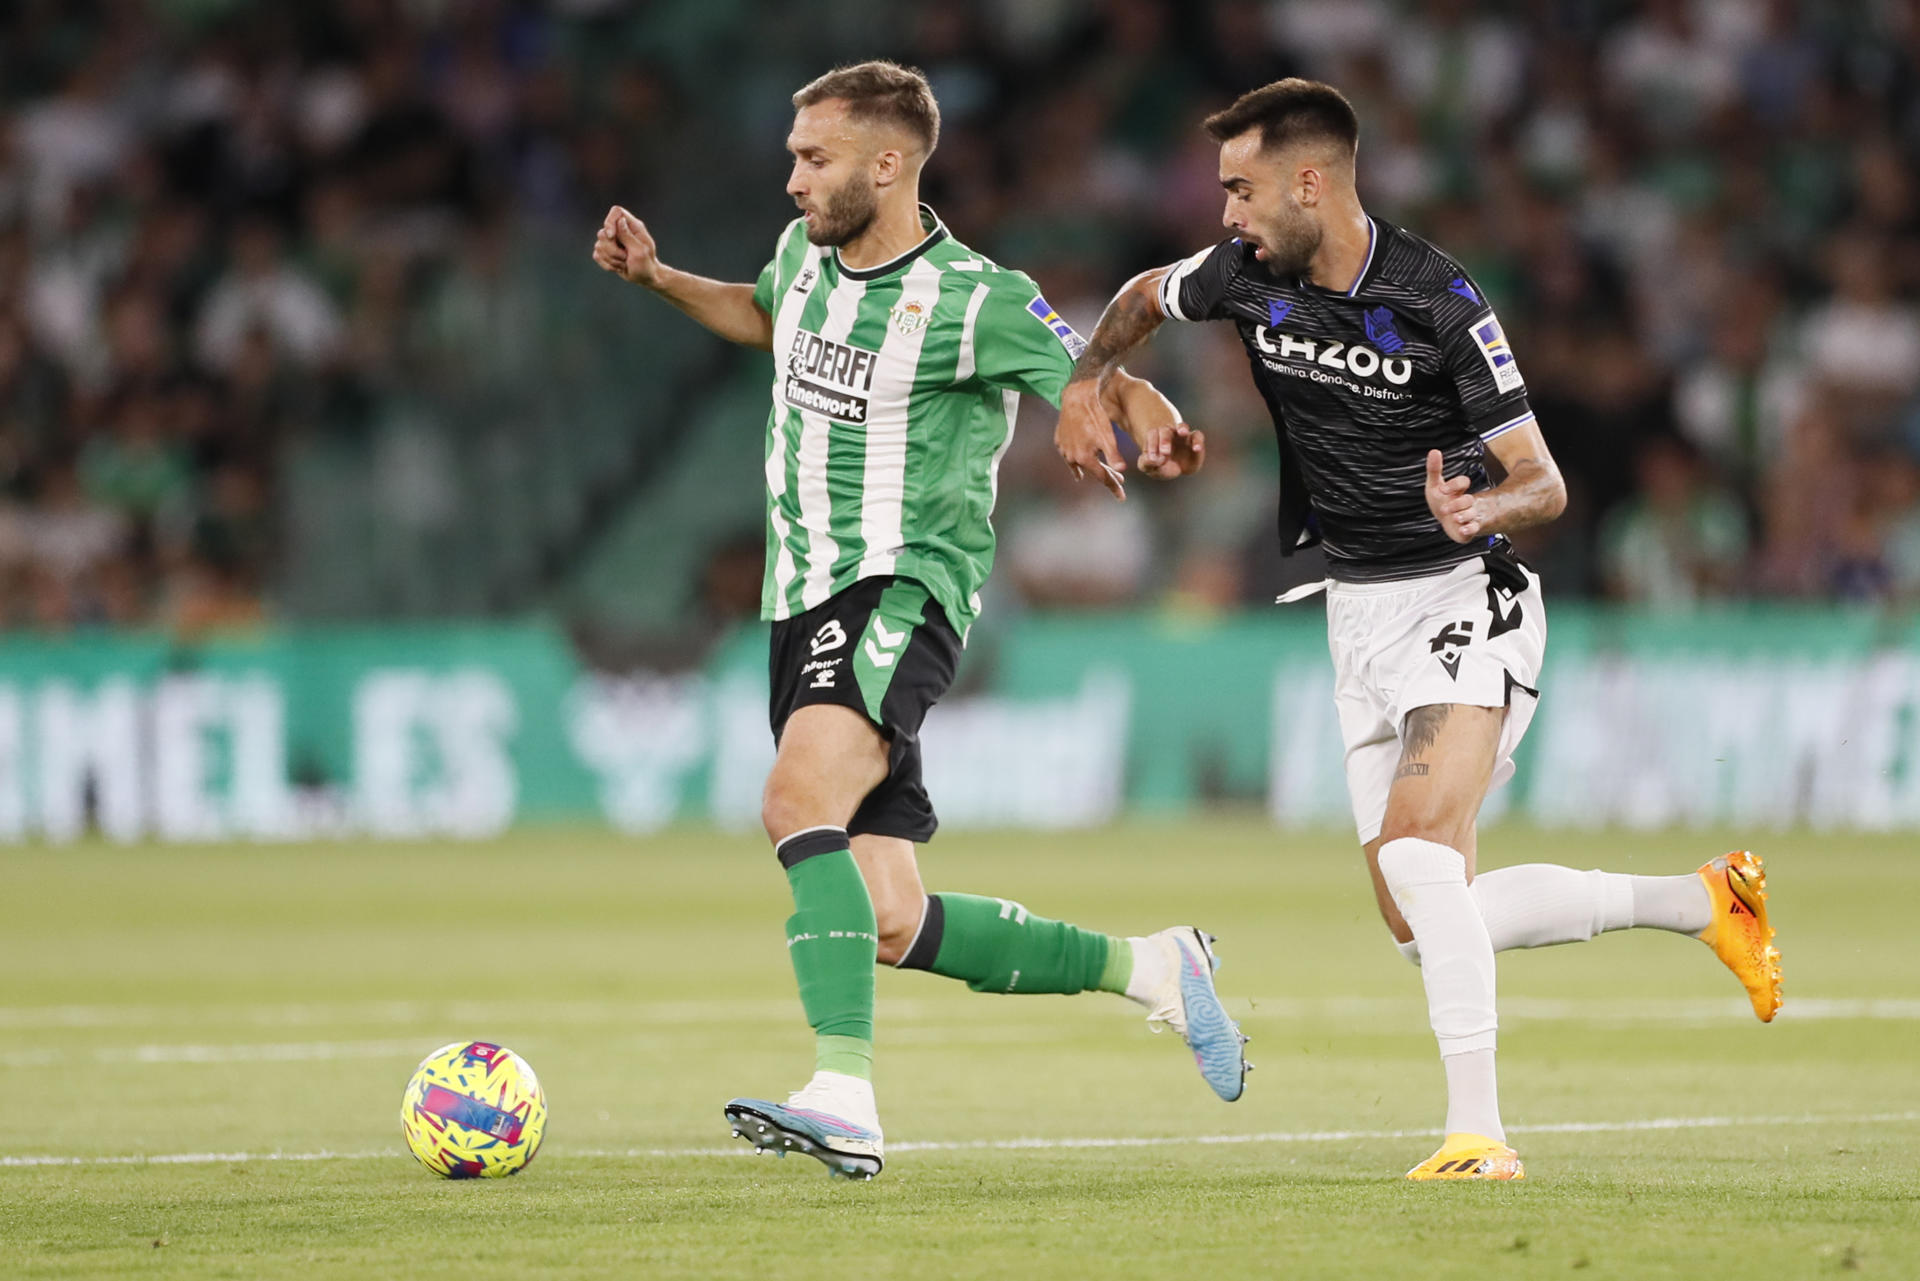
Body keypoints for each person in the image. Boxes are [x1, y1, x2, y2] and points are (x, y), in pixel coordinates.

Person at [1057, 78, 1781, 1182]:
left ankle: (1478, 1135)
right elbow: (1143, 296)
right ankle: (1702, 901)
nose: (1227, 216)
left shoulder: (1439, 298)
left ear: (1311, 182)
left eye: (1242, 190)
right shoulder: (1243, 276)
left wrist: (1477, 508)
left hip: (1463, 599)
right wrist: (1091, 377)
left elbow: (1543, 486)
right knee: (1419, 917)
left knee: (1416, 856)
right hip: (1357, 614)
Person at [592, 61, 1244, 1182]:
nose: (793, 179)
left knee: (795, 801)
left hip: (900, 589)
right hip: (799, 602)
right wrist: (658, 278)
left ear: (887, 165)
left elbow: (1085, 369)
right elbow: (762, 318)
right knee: (891, 918)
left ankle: (844, 1095)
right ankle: (1156, 970)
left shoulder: (975, 297)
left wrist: (1152, 409)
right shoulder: (802, 255)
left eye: (815, 158)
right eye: (795, 156)